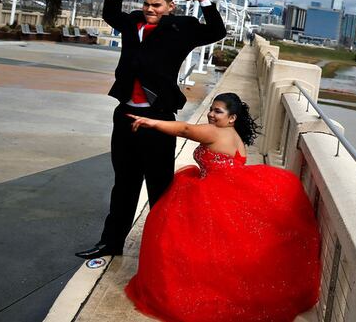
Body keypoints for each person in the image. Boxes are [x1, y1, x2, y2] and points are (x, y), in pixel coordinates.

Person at [124, 93, 321, 322]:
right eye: (211, 109)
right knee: (223, 248)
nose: (210, 114)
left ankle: (192, 289)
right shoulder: (235, 136)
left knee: (178, 236)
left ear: (232, 118)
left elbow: (186, 130)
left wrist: (153, 122)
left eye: (218, 111)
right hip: (230, 189)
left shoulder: (214, 132)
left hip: (213, 192)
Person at [76, 0, 226, 260]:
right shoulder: (133, 22)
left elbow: (218, 30)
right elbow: (110, 14)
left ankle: (162, 250)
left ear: (170, 6)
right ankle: (111, 243)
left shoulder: (182, 28)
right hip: (125, 114)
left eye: (156, 5)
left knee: (159, 187)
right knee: (124, 184)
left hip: (158, 117)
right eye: (146, 4)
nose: (149, 9)